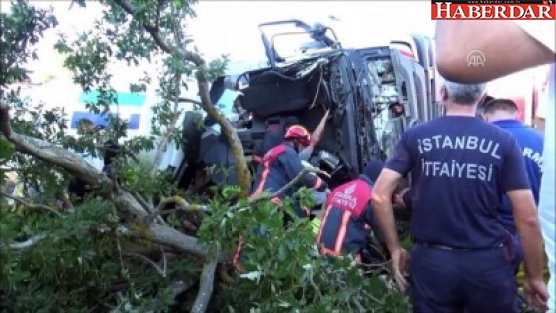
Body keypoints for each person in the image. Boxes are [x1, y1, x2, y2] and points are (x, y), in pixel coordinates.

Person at [371, 80, 547, 312]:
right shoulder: (504, 142)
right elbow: (528, 218)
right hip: (487, 265)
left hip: (432, 266)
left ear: (442, 93)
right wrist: (534, 276)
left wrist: (395, 249)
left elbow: (380, 195)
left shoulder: (415, 136)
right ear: (482, 98)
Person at [434, 20, 554, 311]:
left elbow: (453, 55)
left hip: (485, 246)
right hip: (528, 245)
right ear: (515, 113)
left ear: (488, 115)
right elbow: (529, 216)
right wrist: (535, 272)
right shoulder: (539, 142)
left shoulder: (480, 141)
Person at [250, 124, 327, 219]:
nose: (303, 149)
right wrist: (320, 183)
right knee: (301, 215)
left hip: (258, 198)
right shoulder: (287, 151)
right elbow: (300, 176)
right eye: (303, 145)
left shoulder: (276, 150)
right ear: (295, 141)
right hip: (271, 200)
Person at [316, 159, 383, 263]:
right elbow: (381, 231)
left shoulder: (339, 189)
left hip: (318, 253)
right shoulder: (371, 197)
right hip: (343, 263)